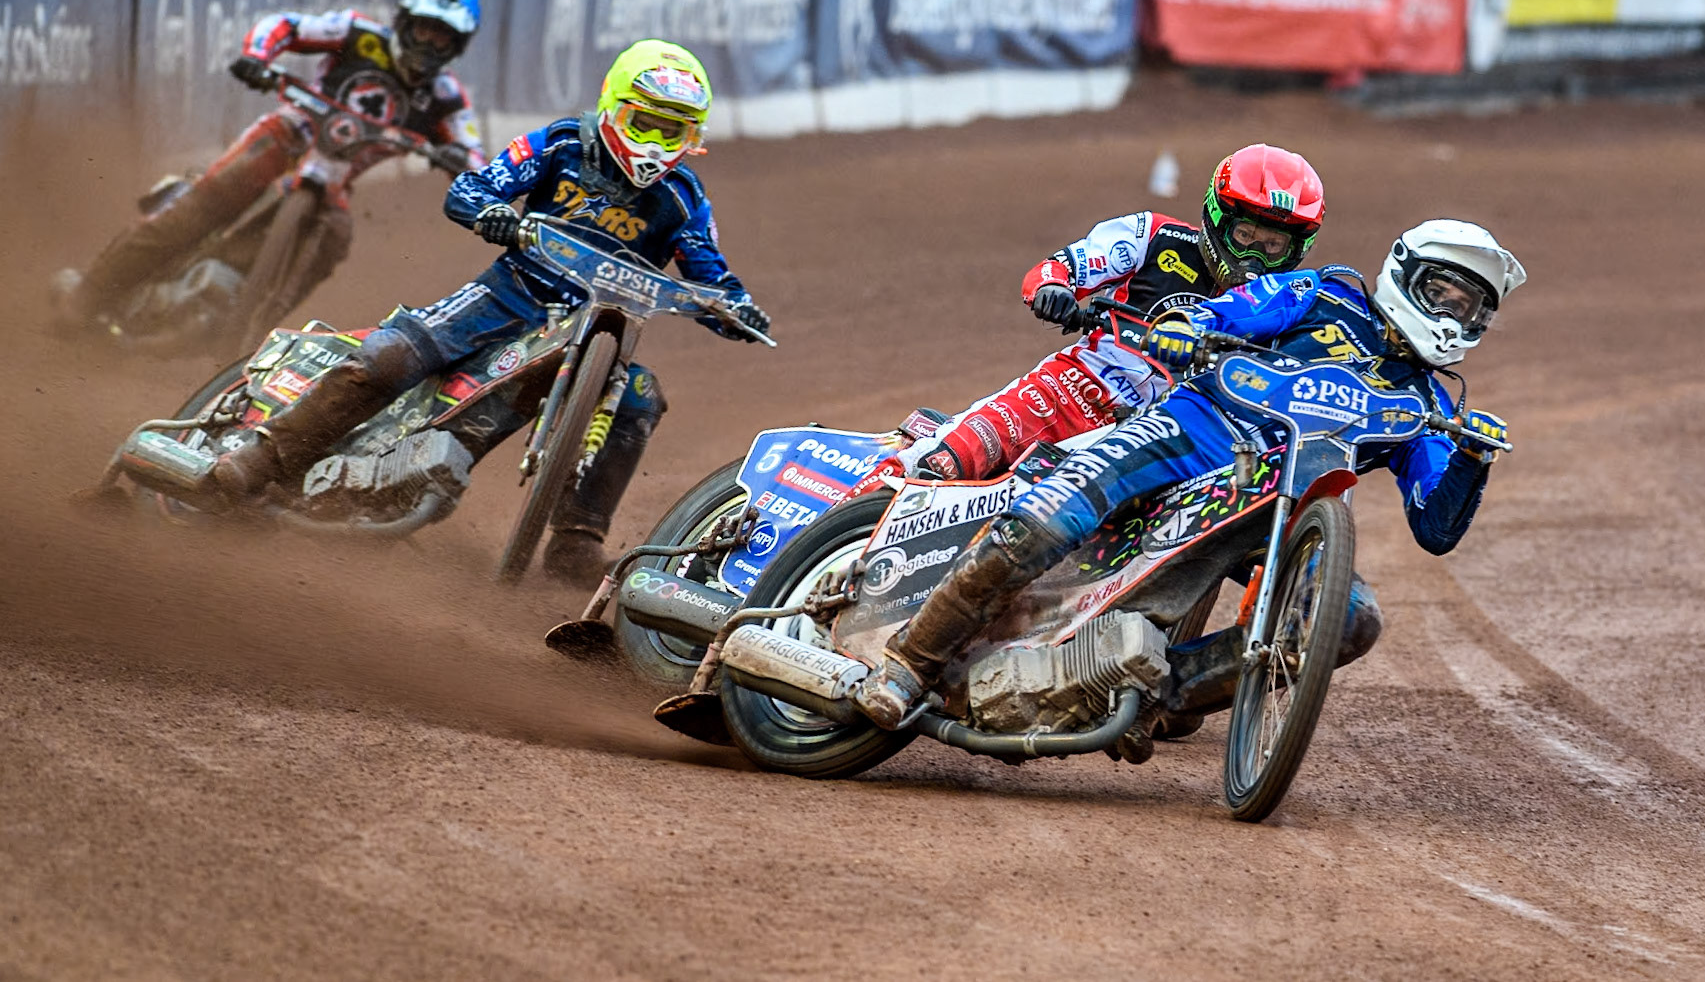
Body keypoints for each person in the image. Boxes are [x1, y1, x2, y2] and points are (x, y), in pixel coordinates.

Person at [855, 218, 1525, 729]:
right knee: (1048, 517)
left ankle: (1159, 693)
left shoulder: (1431, 406)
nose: (1451, 315)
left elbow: (1434, 528)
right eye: (1442, 293)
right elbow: (1229, 309)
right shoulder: (1324, 295)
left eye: (1469, 307)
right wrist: (1184, 323)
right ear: (1404, 274)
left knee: (1352, 615)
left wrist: (1472, 458)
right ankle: (910, 661)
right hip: (1188, 434)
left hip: (1271, 509)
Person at [207, 38, 771, 584]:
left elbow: (709, 273)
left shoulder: (684, 197)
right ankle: (264, 459)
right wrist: (492, 212)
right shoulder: (559, 144)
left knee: (641, 396)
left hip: (596, 330)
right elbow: (475, 187)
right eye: (646, 123)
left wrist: (736, 307)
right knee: (391, 356)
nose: (656, 142)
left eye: (673, 130)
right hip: (507, 295)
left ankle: (576, 541)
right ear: (613, 107)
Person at [60, 0, 488, 331]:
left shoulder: (446, 97)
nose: (430, 44)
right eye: (425, 29)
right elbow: (286, 26)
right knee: (200, 205)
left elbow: (476, 158)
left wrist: (464, 168)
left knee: (336, 237)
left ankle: (255, 327)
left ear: (458, 46)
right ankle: (88, 294)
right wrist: (257, 57)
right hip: (288, 134)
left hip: (337, 178)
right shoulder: (358, 34)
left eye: (443, 38)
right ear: (403, 19)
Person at [888, 144, 1324, 485]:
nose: (1253, 256)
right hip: (1068, 395)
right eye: (1245, 234)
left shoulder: (1288, 306)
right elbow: (1057, 268)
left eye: (1272, 246)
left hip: (1161, 441)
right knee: (944, 460)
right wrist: (1052, 289)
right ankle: (838, 532)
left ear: (1295, 250)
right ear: (1217, 216)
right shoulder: (1155, 236)